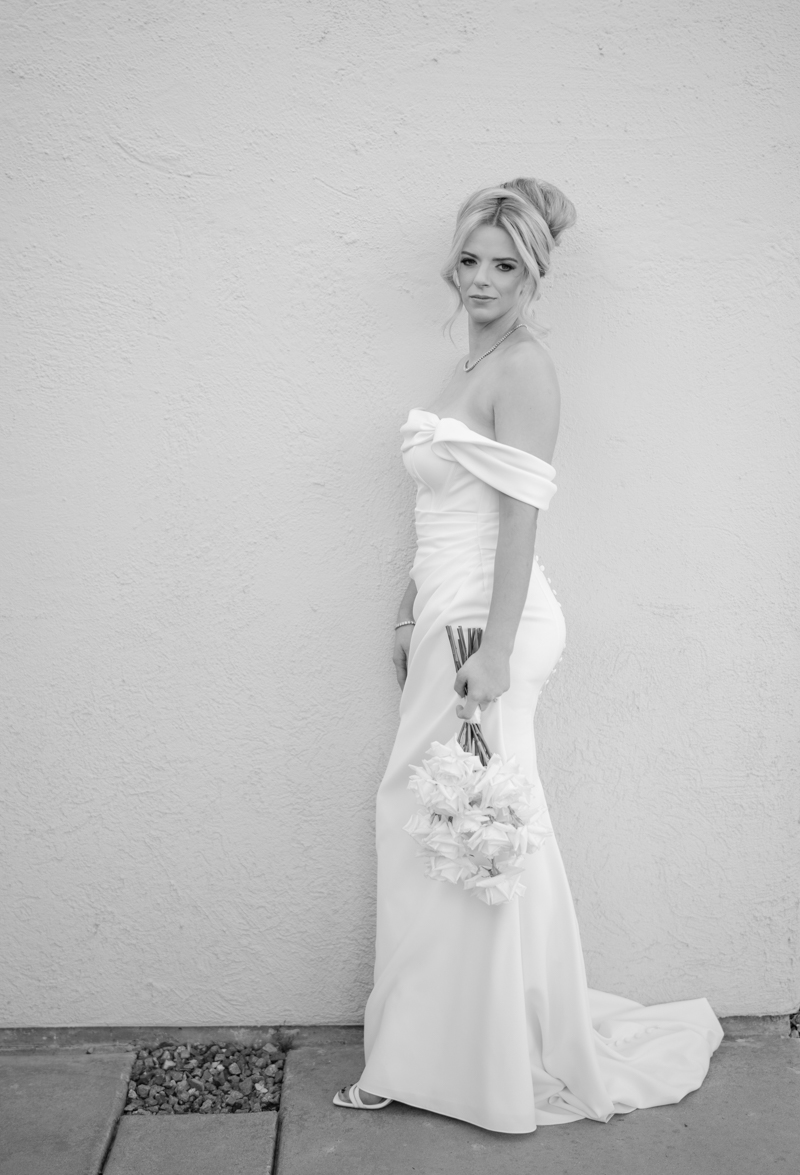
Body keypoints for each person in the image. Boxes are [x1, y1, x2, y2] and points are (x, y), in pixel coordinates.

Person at [333, 178, 723, 1132]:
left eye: (505, 264)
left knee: (464, 835)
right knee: (447, 831)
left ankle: (452, 1058)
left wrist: (494, 648)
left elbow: (518, 523)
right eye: (470, 259)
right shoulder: (471, 358)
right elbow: (442, 511)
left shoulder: (526, 370)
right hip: (447, 616)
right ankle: (455, 1041)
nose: (482, 278)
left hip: (485, 629)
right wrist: (403, 607)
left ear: (535, 273)